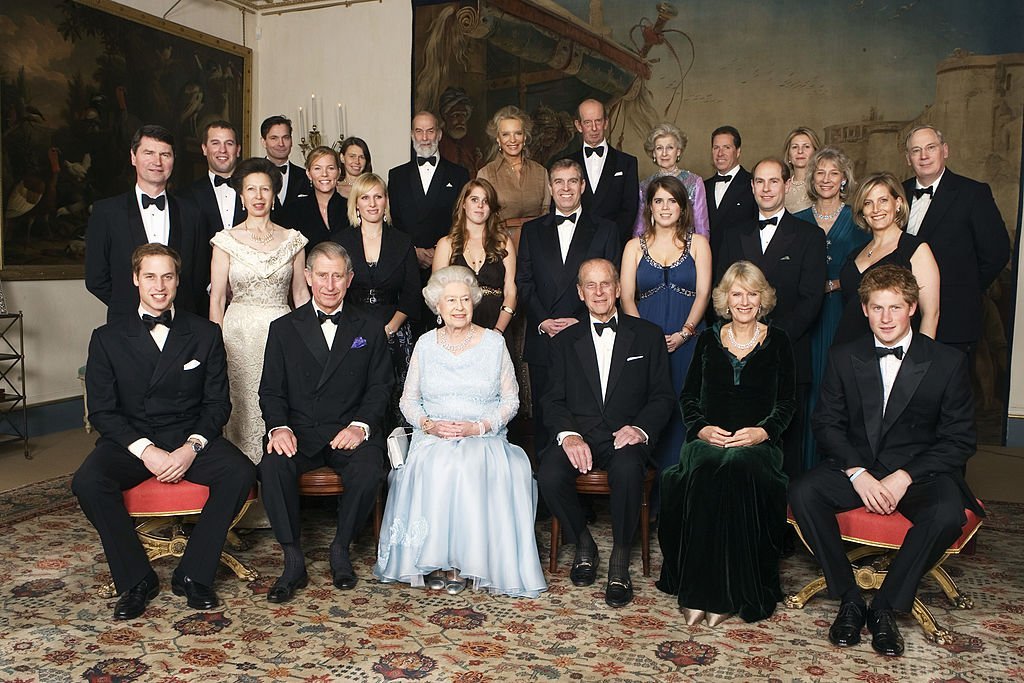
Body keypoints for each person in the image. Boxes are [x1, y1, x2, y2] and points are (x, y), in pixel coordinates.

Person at [789, 264, 982, 657]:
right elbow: (825, 424)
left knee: (947, 513)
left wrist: (904, 477)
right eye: (877, 308)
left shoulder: (946, 362)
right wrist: (857, 473)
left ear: (912, 307)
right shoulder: (844, 356)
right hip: (858, 466)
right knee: (803, 492)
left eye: (895, 307)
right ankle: (848, 597)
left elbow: (959, 440)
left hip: (919, 472)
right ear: (864, 309)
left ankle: (885, 605)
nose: (886, 318)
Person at [73, 244, 256, 620]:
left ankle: (194, 573)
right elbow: (104, 412)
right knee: (88, 482)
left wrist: (191, 447)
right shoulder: (106, 338)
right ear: (136, 279)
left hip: (188, 436)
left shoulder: (205, 333)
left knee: (241, 472)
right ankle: (136, 578)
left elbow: (218, 404)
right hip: (130, 441)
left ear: (178, 280)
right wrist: (147, 451)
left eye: (168, 277)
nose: (160, 286)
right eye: (151, 277)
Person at [374, 266, 546, 597]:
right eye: (450, 300)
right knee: (435, 464)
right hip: (433, 435)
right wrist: (428, 425)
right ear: (437, 306)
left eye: (465, 299)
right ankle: (434, 560)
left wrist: (478, 426)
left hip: (482, 435)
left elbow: (512, 401)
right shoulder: (425, 344)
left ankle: (460, 562)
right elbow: (408, 400)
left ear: (474, 303)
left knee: (466, 465)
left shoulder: (494, 343)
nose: (458, 306)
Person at [657, 261, 795, 626]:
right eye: (737, 294)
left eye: (752, 293)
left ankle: (724, 595)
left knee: (735, 468)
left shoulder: (779, 341)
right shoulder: (707, 339)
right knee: (705, 469)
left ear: (762, 298)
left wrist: (762, 432)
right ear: (725, 300)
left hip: (758, 444)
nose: (745, 301)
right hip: (708, 439)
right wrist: (702, 429)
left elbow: (787, 404)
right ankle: (697, 591)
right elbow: (687, 398)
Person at [258, 241, 393, 603]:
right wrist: (279, 427)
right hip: (299, 431)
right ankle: (292, 558)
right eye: (322, 276)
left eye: (337, 276)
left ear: (349, 280)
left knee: (370, 470)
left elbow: (381, 387)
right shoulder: (283, 328)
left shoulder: (371, 326)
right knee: (271, 466)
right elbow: (270, 391)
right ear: (307, 277)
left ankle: (341, 547)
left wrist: (361, 426)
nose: (329, 285)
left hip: (348, 429)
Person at [538, 258, 675, 608]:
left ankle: (619, 559)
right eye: (590, 285)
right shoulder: (563, 341)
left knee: (629, 471)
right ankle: (583, 542)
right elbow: (552, 398)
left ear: (617, 288)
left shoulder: (648, 334)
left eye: (605, 284)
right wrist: (568, 435)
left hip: (624, 435)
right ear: (580, 293)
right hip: (580, 435)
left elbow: (662, 396)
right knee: (549, 474)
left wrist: (640, 429)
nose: (599, 292)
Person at [717, 157, 825, 481]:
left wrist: (770, 340)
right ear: (751, 187)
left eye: (773, 181)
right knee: (740, 445)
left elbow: (811, 300)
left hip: (789, 355)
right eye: (760, 182)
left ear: (787, 185)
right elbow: (721, 294)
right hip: (739, 357)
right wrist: (745, 344)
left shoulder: (810, 236)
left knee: (786, 447)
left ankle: (785, 526)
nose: (766, 188)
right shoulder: (733, 234)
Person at [209, 157, 309, 464]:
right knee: (241, 406)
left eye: (265, 189)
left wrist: (310, 342)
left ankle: (276, 478)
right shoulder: (225, 241)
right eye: (251, 189)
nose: (258, 196)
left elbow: (301, 294)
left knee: (280, 401)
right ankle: (241, 484)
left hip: (282, 332)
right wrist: (215, 345)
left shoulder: (293, 240)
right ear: (241, 195)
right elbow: (217, 300)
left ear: (274, 194)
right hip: (236, 337)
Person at [620, 175, 711, 510]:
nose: (665, 207)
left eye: (672, 201)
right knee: (651, 410)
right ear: (650, 206)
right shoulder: (634, 247)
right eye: (659, 201)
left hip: (689, 339)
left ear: (683, 206)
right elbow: (627, 298)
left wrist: (686, 332)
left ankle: (685, 496)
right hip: (645, 341)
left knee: (687, 412)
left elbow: (704, 294)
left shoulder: (698, 244)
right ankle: (653, 502)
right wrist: (649, 338)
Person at [516, 159, 620, 452]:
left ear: (583, 186)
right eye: (559, 182)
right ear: (550, 187)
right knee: (545, 419)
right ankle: (547, 490)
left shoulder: (606, 229)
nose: (565, 188)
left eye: (572, 181)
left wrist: (581, 320)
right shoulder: (532, 230)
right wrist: (543, 321)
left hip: (587, 335)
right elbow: (523, 281)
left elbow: (610, 284)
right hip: (543, 335)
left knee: (586, 415)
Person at [902, 124, 1010, 353]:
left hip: (954, 318)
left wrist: (965, 289)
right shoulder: (896, 194)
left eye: (931, 147)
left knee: (952, 387)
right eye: (916, 150)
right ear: (908, 159)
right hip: (900, 320)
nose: (923, 156)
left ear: (945, 150)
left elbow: (997, 253)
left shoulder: (973, 193)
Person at [86, 124, 208, 322]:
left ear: (173, 160)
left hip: (183, 324)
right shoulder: (106, 212)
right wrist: (133, 307)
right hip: (125, 326)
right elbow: (95, 279)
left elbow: (199, 276)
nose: (157, 162)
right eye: (149, 153)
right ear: (133, 157)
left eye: (165, 155)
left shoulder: (193, 213)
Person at [794, 147, 868, 470]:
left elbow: (871, 271)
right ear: (812, 178)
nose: (826, 179)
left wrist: (836, 285)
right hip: (804, 319)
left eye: (833, 173)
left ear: (843, 180)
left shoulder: (859, 222)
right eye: (820, 172)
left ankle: (837, 471)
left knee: (837, 388)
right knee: (806, 389)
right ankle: (804, 471)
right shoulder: (796, 221)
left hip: (843, 314)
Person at [334, 173, 420, 427]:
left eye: (378, 197)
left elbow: (412, 293)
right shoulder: (340, 242)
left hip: (395, 328)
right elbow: (335, 290)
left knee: (397, 397)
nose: (372, 203)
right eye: (365, 197)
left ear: (386, 202)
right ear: (356, 204)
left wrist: (391, 328)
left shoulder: (403, 241)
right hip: (351, 327)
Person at [833, 172, 939, 346]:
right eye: (868, 203)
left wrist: (919, 363)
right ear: (862, 211)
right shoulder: (855, 254)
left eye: (883, 200)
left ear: (897, 203)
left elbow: (931, 314)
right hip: (847, 351)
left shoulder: (916, 250)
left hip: (894, 355)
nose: (876, 209)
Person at [388, 111, 470, 335]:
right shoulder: (396, 176)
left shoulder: (460, 174)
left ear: (440, 134)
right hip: (407, 268)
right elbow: (393, 221)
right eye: (419, 131)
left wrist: (439, 251)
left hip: (447, 266)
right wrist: (412, 251)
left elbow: (462, 220)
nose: (425, 137)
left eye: (430, 131)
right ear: (412, 134)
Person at [432, 178, 516, 333]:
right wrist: (456, 329)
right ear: (463, 204)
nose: (480, 205)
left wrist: (498, 331)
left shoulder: (503, 242)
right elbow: (438, 293)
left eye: (486, 201)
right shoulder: (446, 244)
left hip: (497, 323)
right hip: (455, 326)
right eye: (474, 199)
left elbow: (510, 291)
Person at [476, 106, 551, 250]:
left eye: (518, 133)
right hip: (500, 246)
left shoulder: (541, 172)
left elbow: (546, 216)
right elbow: (481, 219)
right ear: (498, 138)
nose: (513, 140)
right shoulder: (485, 174)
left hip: (538, 245)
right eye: (506, 134)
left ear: (525, 136)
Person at [569, 99, 639, 245]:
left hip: (615, 243)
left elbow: (630, 209)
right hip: (577, 244)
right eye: (587, 122)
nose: (594, 128)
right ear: (578, 125)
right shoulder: (566, 164)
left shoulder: (627, 163)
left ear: (606, 123)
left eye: (598, 121)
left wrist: (609, 240)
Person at [632, 123, 709, 239]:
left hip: (686, 248)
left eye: (670, 148)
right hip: (653, 249)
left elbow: (702, 227)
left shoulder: (694, 182)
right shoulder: (645, 186)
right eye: (659, 148)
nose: (664, 153)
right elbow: (640, 228)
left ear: (678, 151)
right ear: (653, 153)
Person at [179, 120, 245, 239]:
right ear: (204, 149)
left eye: (229, 143)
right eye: (215, 143)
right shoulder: (186, 195)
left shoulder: (256, 192)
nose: (222, 150)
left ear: (238, 150)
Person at [278, 146, 347, 249]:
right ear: (308, 174)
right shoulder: (293, 209)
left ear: (339, 172)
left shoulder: (351, 207)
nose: (324, 174)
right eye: (317, 168)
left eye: (331, 168)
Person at [704, 125, 756, 259]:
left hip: (740, 264)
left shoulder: (753, 184)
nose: (720, 153)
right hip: (708, 264)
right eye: (716, 148)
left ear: (738, 151)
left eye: (727, 147)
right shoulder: (703, 186)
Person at [260, 115, 311, 213]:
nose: (281, 144)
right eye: (274, 138)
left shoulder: (305, 176)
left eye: (286, 138)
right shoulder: (252, 175)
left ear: (291, 141)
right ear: (264, 142)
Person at [782, 127, 821, 213]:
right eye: (795, 147)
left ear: (816, 152)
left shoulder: (822, 185)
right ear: (788, 155)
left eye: (806, 146)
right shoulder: (781, 186)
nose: (800, 151)